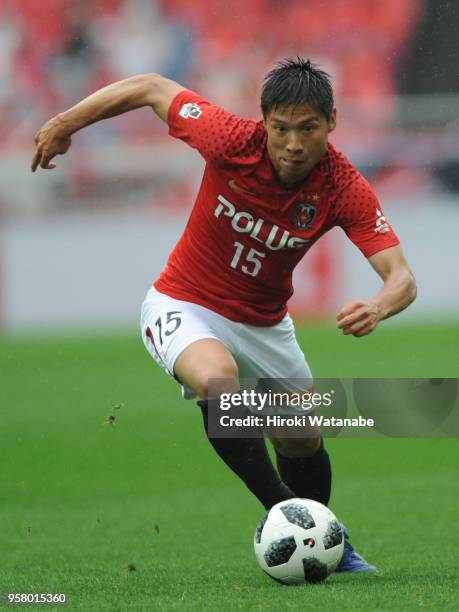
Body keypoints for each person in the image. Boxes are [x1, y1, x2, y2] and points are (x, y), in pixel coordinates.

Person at [31, 58, 417, 573]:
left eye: (308, 129)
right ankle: (306, 528)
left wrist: (378, 305)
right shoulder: (230, 139)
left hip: (265, 324)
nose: (294, 144)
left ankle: (318, 536)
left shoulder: (343, 185)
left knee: (301, 437)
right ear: (264, 122)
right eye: (281, 129)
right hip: (183, 303)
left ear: (332, 122)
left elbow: (402, 278)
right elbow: (150, 86)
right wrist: (64, 123)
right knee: (219, 384)